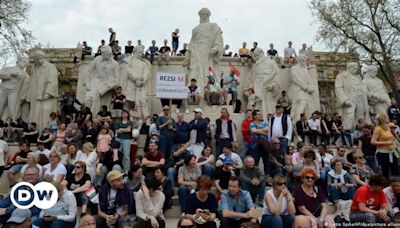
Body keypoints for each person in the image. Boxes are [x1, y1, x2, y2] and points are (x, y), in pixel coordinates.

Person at [185, 7, 224, 88]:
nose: (204, 16)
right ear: (199, 15)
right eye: (202, 14)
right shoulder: (195, 29)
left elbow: (218, 37)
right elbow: (192, 42)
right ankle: (193, 87)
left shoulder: (213, 26)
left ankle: (208, 87)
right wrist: (188, 54)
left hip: (207, 50)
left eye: (206, 14)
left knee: (207, 70)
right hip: (196, 51)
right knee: (194, 69)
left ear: (209, 15)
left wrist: (216, 48)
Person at [27, 50, 58, 128]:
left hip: (46, 94)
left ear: (42, 58)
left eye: (39, 59)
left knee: (45, 112)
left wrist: (48, 92)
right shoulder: (33, 68)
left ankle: (44, 129)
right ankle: (33, 129)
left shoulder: (51, 67)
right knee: (34, 112)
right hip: (35, 94)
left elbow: (52, 80)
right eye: (36, 59)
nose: (37, 61)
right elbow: (31, 81)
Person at [249, 110, 269, 176]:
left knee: (266, 162)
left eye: (260, 114)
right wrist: (263, 132)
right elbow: (253, 130)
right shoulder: (252, 123)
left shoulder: (265, 123)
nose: (260, 115)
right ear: (254, 116)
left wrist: (258, 131)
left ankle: (267, 177)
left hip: (265, 144)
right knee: (255, 161)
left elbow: (267, 129)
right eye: (258, 114)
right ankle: (255, 176)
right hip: (255, 143)